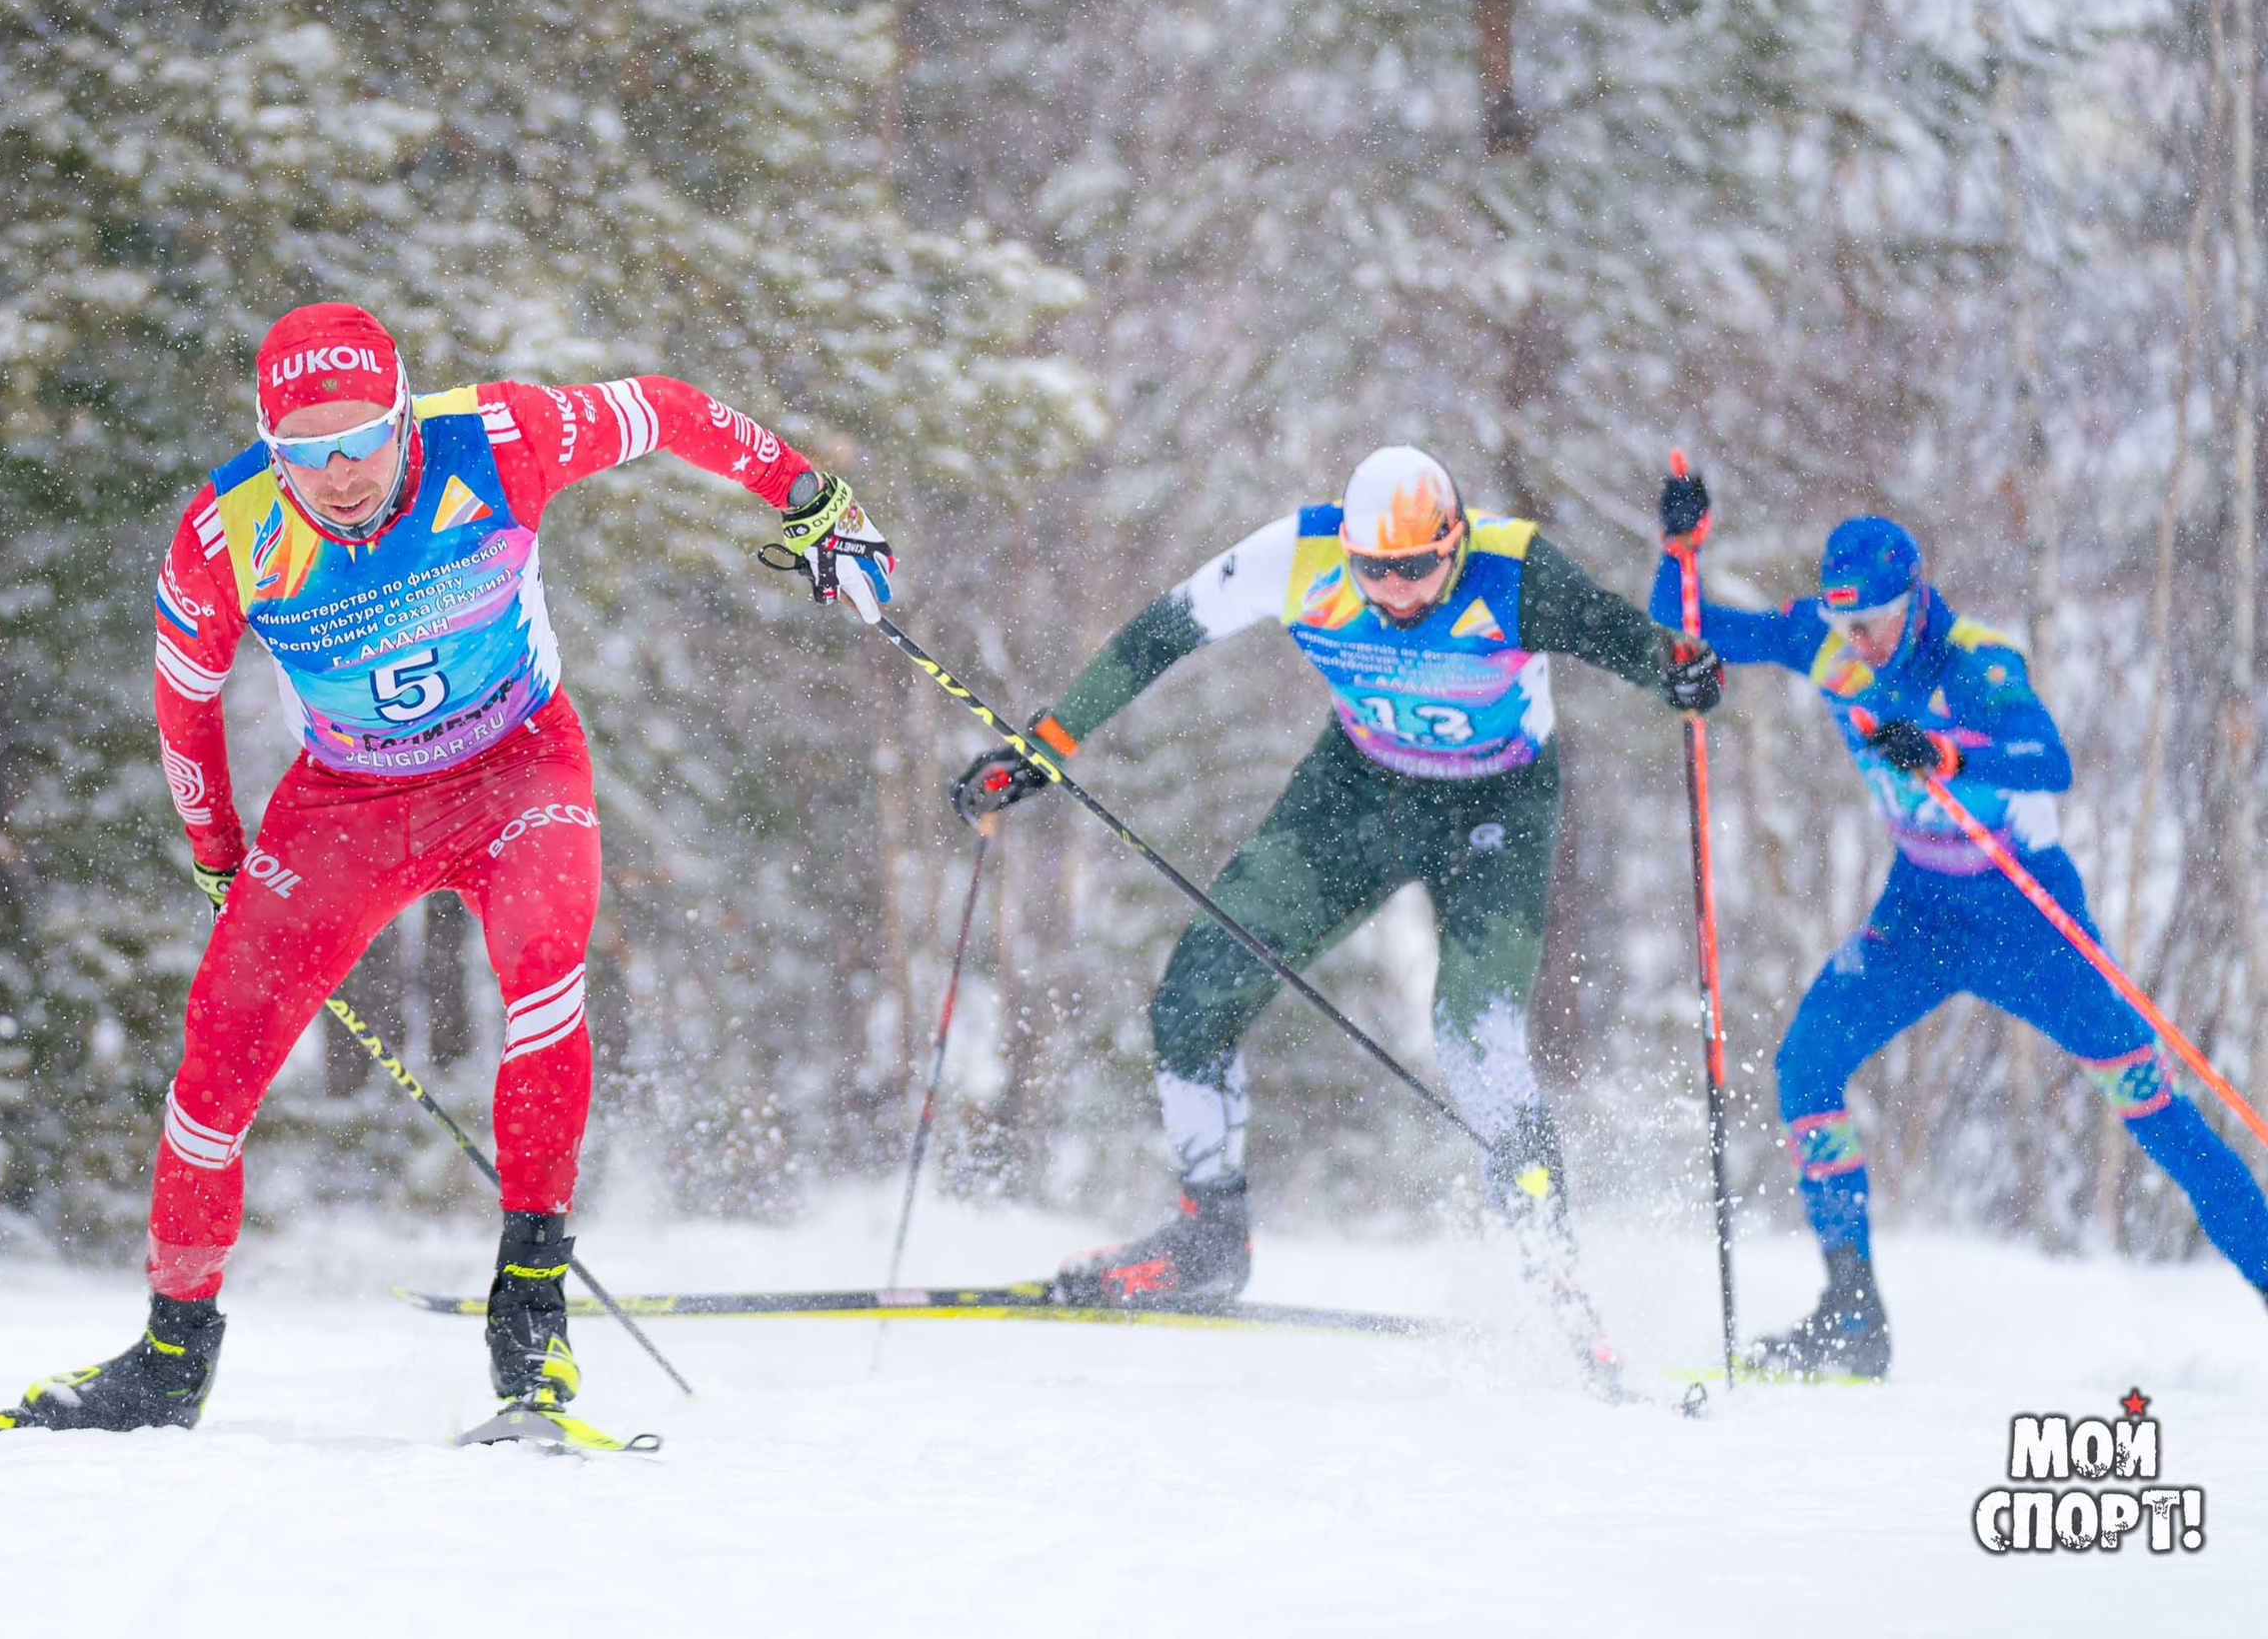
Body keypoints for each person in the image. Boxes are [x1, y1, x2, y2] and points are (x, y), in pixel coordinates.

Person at [0, 302, 891, 1434]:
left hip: (518, 766)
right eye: (306, 450)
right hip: (347, 805)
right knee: (216, 1059)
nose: (342, 473)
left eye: (364, 437)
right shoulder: (225, 532)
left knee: (545, 969)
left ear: (406, 414)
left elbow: (662, 410)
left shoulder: (498, 436)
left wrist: (812, 504)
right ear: (271, 445)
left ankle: (532, 1317)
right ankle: (170, 1359)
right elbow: (182, 699)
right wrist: (219, 855)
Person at [956, 446, 1720, 1312]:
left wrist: (1680, 672)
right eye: (1374, 571)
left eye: (1419, 569)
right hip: (1359, 791)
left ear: (1457, 542)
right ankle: (1208, 1235)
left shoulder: (1514, 570)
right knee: (1192, 998)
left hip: (1497, 809)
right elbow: (1161, 631)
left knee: (1477, 1037)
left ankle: (1554, 1277)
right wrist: (1045, 747)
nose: (1396, 592)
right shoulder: (1298, 555)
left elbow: (1634, 643)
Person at [1650, 469, 2268, 1378]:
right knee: (1807, 1063)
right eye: (1842, 622)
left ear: (1916, 600)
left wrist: (1947, 747)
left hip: (2029, 918)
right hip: (1923, 911)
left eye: (1872, 623)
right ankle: (1853, 1316)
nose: (1854, 644)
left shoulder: (1973, 661)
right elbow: (1689, 617)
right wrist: (1680, 547)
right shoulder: (1828, 643)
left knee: (2150, 1106)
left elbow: (2047, 759)